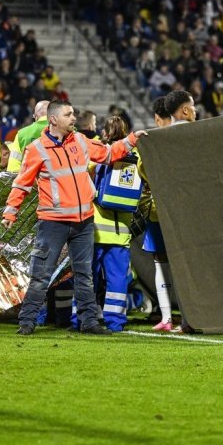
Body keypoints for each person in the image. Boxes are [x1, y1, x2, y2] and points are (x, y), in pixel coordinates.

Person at [2, 100, 147, 335]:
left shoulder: (80, 140)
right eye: (68, 114)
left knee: (85, 276)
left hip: (84, 221)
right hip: (53, 222)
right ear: (53, 120)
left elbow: (108, 154)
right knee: (41, 275)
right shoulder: (37, 149)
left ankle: (89, 322)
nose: (73, 118)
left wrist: (131, 140)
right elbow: (22, 183)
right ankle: (27, 322)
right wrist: (11, 211)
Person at [139, 90, 196, 332]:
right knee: (186, 263)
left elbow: (143, 169)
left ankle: (166, 318)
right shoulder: (195, 135)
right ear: (184, 110)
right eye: (193, 107)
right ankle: (188, 318)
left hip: (157, 211)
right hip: (185, 211)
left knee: (160, 262)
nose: (195, 111)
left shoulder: (155, 140)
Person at [92, 116, 141, 331]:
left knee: (87, 279)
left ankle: (81, 319)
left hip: (94, 232)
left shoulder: (99, 154)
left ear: (105, 133)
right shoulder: (137, 158)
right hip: (121, 231)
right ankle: (116, 322)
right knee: (118, 282)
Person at [7, 99, 49, 172]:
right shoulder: (65, 130)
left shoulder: (22, 134)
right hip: (59, 180)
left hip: (31, 180)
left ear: (35, 116)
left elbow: (13, 168)